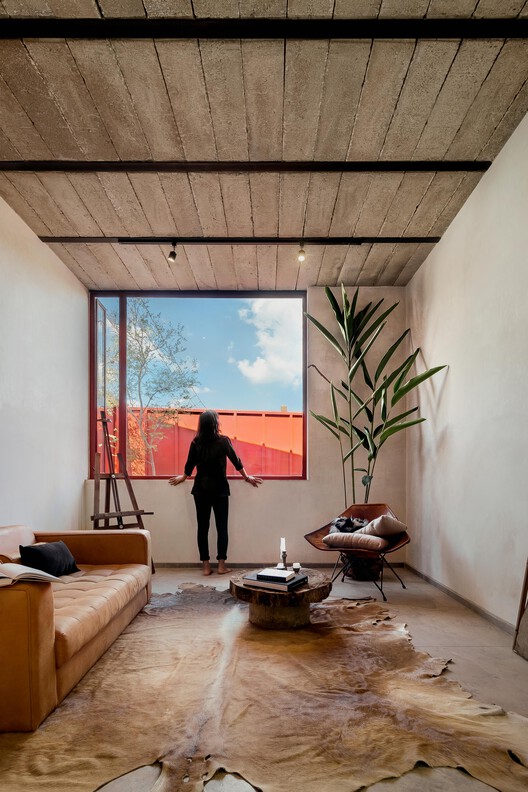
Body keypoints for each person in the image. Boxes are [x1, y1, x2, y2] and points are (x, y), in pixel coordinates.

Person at [169, 410, 262, 575]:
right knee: (222, 528)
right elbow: (236, 461)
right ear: (215, 424)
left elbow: (189, 464)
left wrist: (184, 477)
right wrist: (247, 477)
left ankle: (206, 567)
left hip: (200, 490)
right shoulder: (223, 441)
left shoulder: (195, 442)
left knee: (202, 528)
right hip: (220, 490)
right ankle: (221, 566)